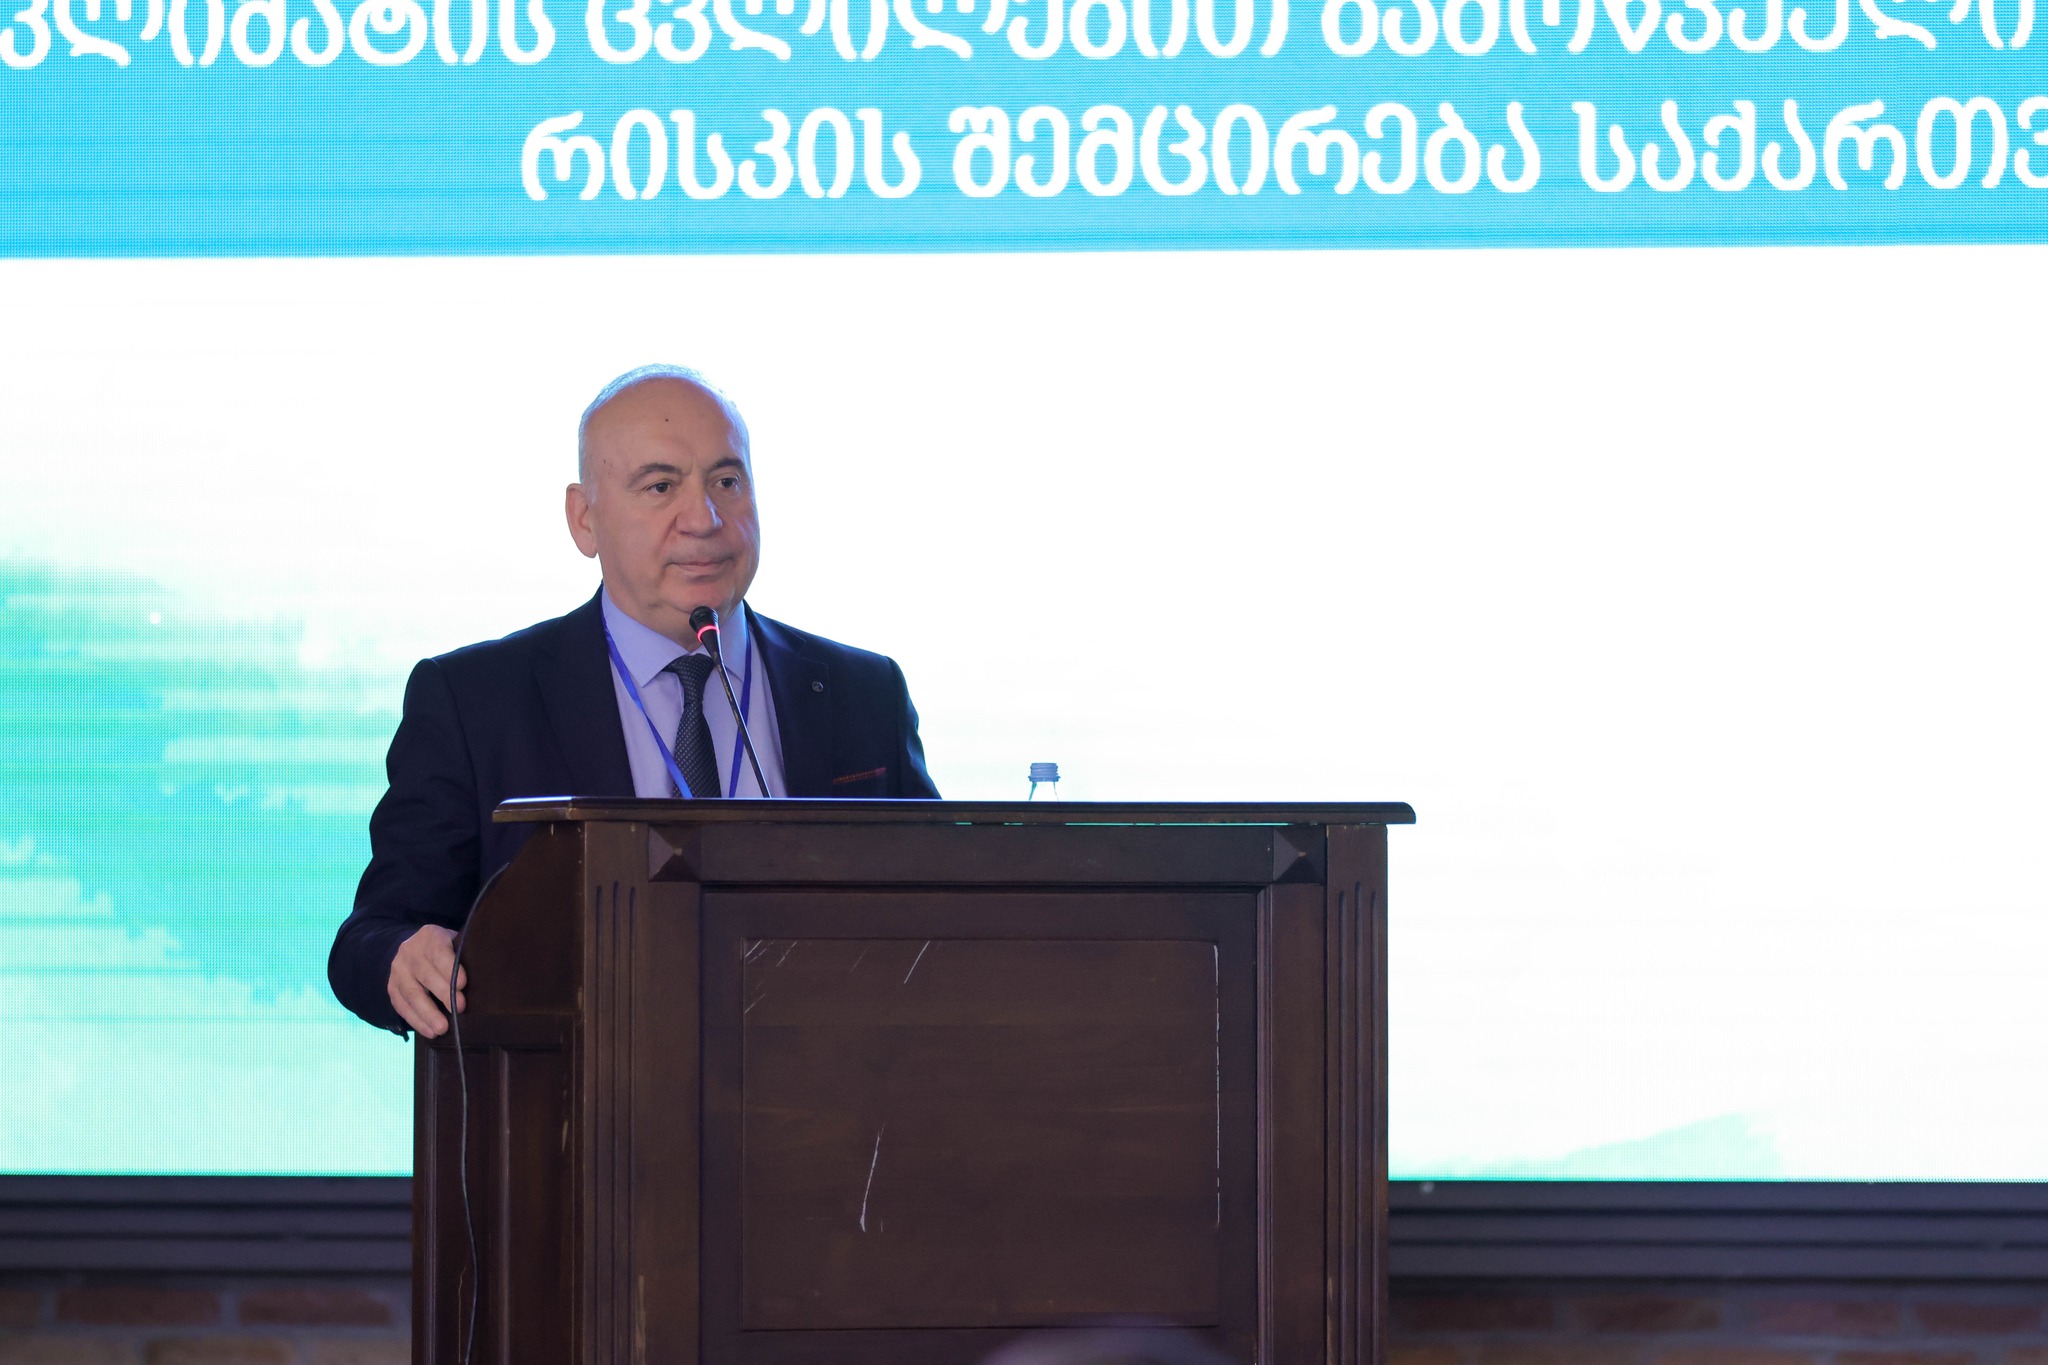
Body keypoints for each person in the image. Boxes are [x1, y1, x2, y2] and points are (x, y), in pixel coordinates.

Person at [328, 365, 939, 1037]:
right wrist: (400, 957)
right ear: (584, 519)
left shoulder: (862, 693)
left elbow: (949, 912)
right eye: (660, 486)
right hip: (580, 1093)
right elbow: (372, 935)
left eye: (727, 482)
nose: (704, 520)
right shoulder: (476, 702)